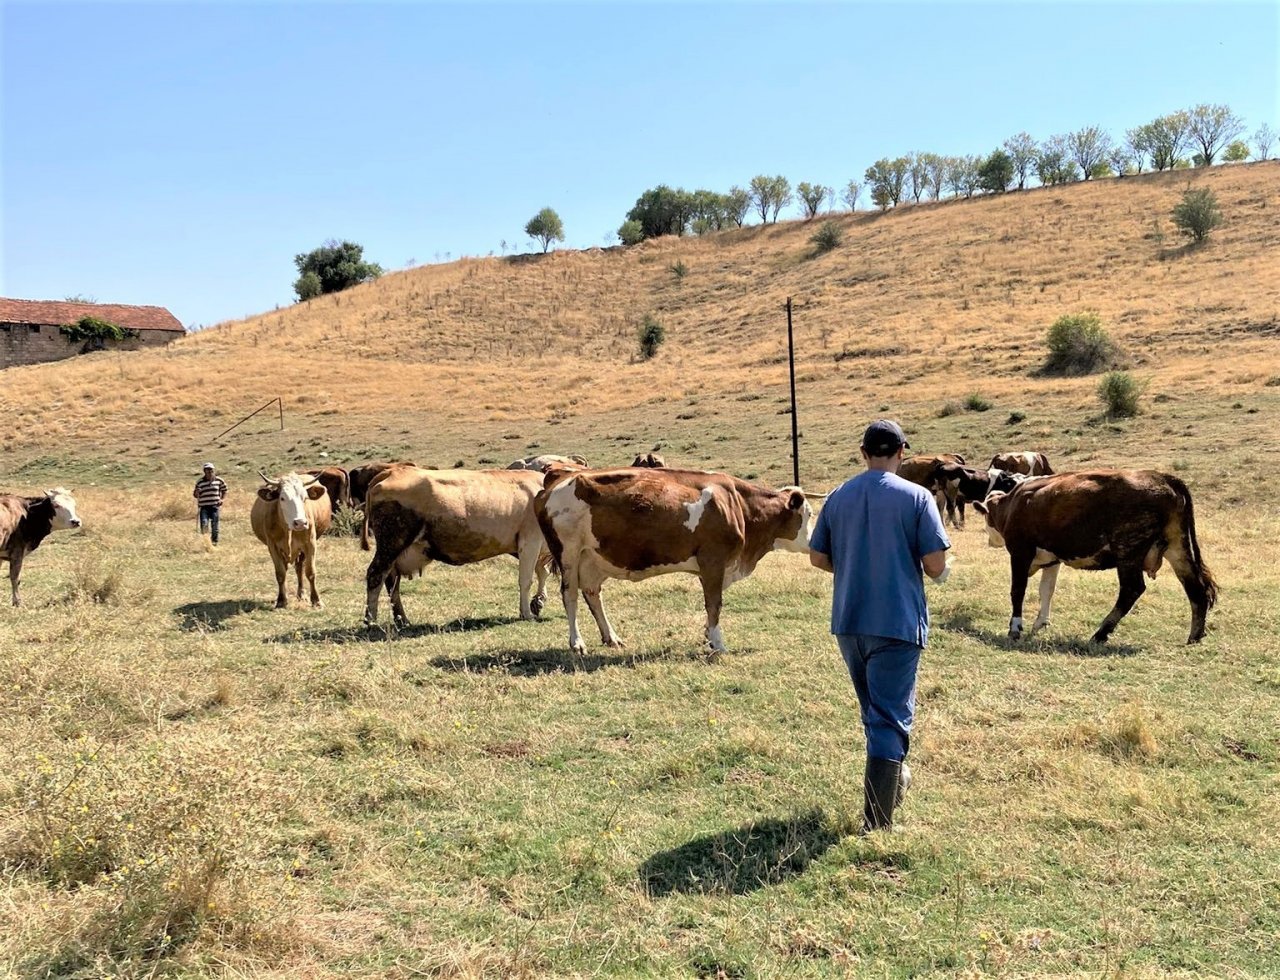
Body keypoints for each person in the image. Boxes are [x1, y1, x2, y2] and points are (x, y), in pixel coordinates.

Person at [808, 420, 952, 832]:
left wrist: (851, 564)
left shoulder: (839, 496)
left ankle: (893, 780)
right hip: (897, 621)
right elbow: (936, 565)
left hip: (850, 621)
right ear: (902, 452)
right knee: (890, 716)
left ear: (863, 452)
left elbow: (817, 558)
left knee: (873, 709)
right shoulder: (918, 498)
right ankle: (878, 823)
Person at [194, 462, 228, 545]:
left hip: (214, 506)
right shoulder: (200, 482)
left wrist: (222, 499)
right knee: (204, 524)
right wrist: (197, 492)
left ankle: (214, 542)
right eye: (207, 470)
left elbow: (224, 490)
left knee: (215, 525)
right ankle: (206, 542)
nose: (209, 471)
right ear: (204, 471)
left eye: (211, 470)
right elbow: (195, 495)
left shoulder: (219, 480)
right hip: (204, 507)